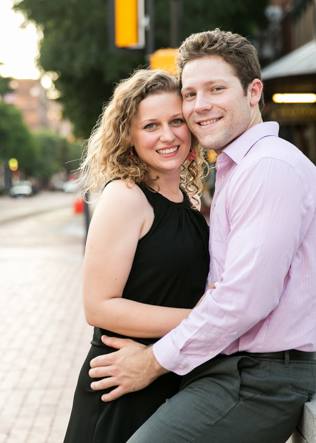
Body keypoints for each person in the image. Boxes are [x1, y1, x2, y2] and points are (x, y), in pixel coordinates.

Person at [88, 29, 316, 443]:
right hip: (228, 366)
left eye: (216, 89)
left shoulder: (268, 168)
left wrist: (151, 362)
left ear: (253, 91)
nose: (200, 106)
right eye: (190, 94)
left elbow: (243, 299)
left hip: (259, 378)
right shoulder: (235, 169)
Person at [63, 69, 211, 443]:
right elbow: (98, 307)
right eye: (151, 125)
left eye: (176, 120)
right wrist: (204, 322)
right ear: (129, 135)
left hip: (166, 374)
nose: (167, 135)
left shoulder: (190, 201)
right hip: (121, 383)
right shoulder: (126, 197)